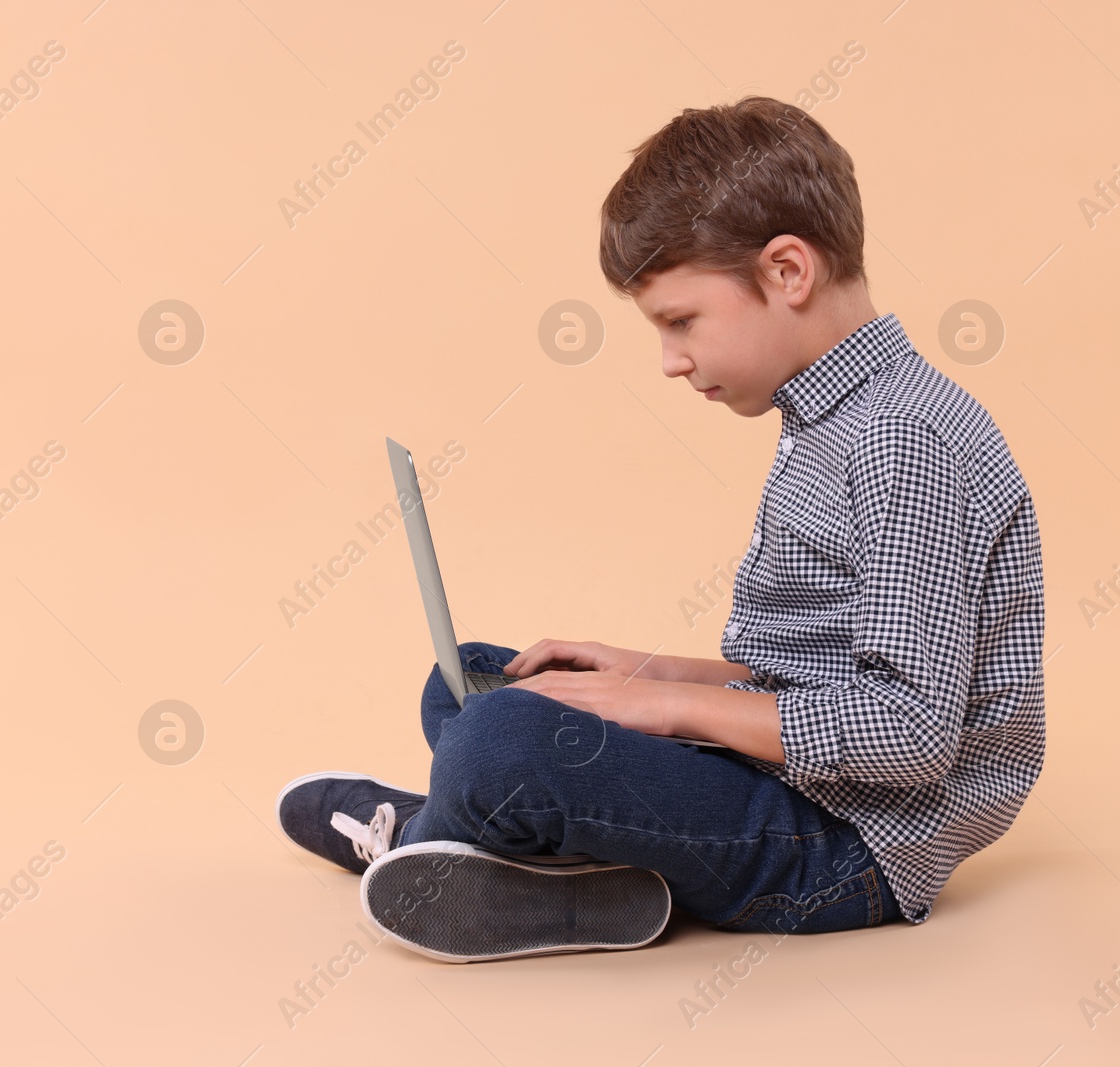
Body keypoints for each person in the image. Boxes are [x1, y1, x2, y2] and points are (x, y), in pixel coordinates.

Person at [276, 95, 1046, 963]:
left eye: (681, 321)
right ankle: (533, 856)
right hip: (789, 776)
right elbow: (819, 667)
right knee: (475, 683)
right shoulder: (834, 416)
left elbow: (907, 729)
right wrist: (652, 671)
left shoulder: (906, 443)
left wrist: (664, 704)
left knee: (498, 740)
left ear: (788, 271)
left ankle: (430, 838)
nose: (672, 359)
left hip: (846, 845)